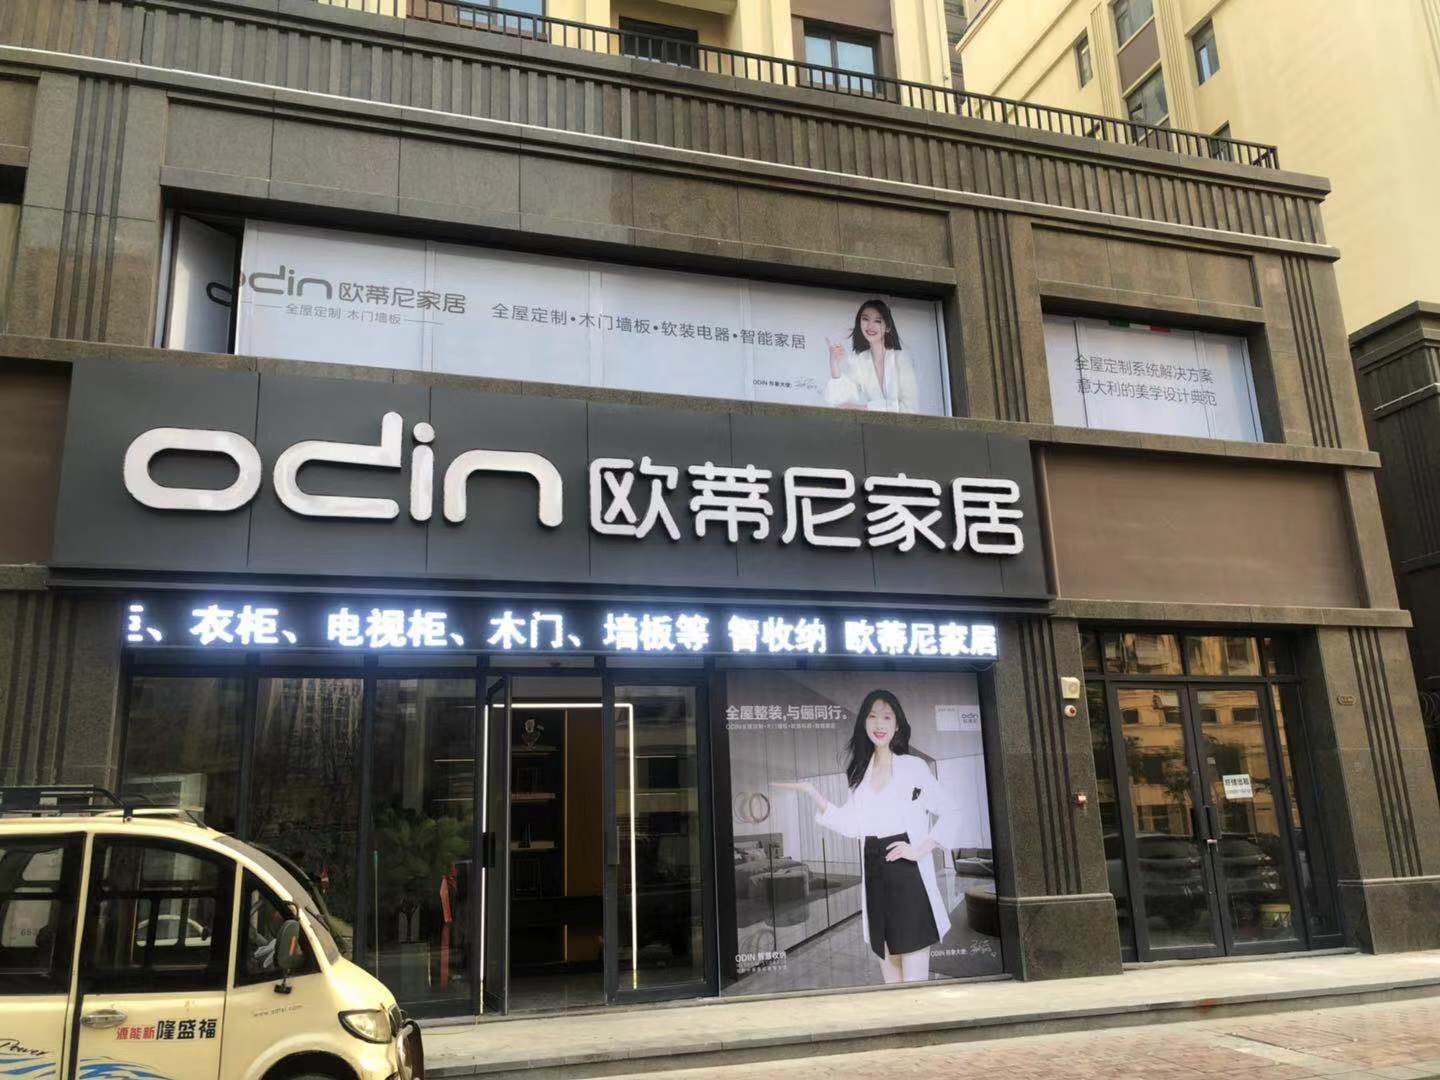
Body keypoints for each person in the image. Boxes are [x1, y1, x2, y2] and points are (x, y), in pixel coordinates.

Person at [775, 690, 962, 984]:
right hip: (874, 871)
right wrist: (813, 793)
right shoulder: (859, 775)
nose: (879, 723)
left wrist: (920, 849)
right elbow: (851, 825)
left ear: (897, 725)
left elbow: (951, 811)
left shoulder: (913, 767)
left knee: (914, 977)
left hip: (908, 874)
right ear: (864, 722)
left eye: (887, 717)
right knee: (890, 974)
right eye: (872, 716)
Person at [824, 299, 919, 413]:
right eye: (865, 319)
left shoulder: (901, 358)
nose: (870, 326)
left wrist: (864, 408)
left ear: (888, 327)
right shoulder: (860, 361)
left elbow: (910, 407)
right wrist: (834, 364)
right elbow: (841, 401)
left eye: (877, 321)